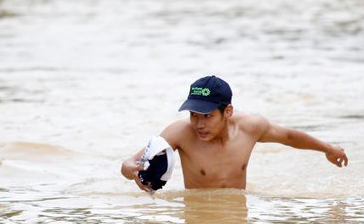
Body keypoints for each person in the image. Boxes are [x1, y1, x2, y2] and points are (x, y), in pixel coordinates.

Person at [121, 76, 348, 192]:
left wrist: (328, 149)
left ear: (227, 111)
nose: (198, 124)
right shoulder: (180, 133)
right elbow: (130, 162)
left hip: (236, 212)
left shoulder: (250, 127)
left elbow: (288, 137)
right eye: (194, 115)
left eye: (207, 116)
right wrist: (130, 168)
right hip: (198, 213)